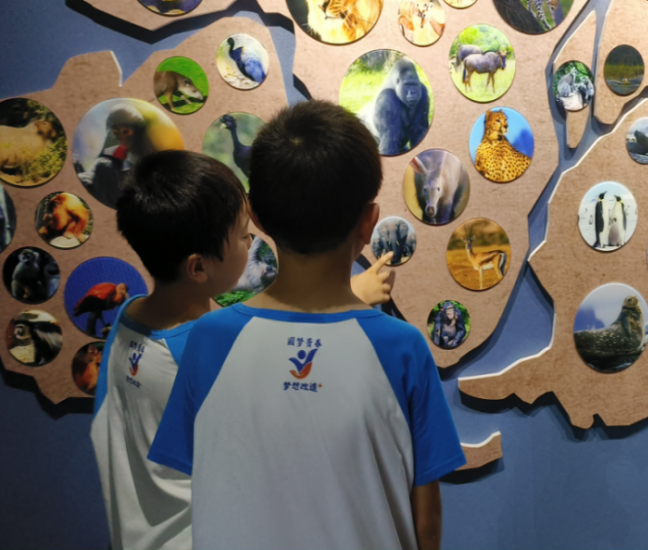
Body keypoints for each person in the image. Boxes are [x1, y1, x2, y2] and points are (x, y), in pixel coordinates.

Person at [148, 100, 464, 550]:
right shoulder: (403, 349)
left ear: (256, 216)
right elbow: (426, 521)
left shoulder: (208, 340)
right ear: (369, 224)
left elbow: (195, 480)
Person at [90, 150, 251, 550]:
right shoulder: (206, 350)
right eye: (243, 234)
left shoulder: (128, 315)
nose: (251, 241)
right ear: (198, 268)